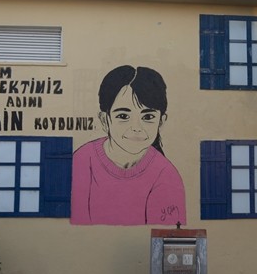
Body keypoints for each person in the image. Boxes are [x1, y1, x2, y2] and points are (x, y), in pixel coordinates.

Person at [71, 65, 187, 225]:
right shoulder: (82, 161)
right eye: (123, 116)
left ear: (161, 121)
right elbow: (77, 227)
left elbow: (164, 238)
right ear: (105, 120)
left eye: (148, 117)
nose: (136, 127)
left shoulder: (167, 175)